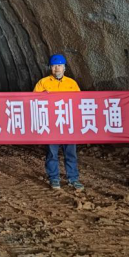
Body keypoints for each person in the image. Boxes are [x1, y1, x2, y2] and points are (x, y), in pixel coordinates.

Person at [33, 54, 83, 190]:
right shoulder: (43, 83)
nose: (57, 68)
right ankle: (54, 178)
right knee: (52, 153)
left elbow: (80, 103)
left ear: (64, 67)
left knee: (70, 153)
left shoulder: (72, 84)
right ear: (50, 67)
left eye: (60, 65)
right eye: (54, 66)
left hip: (68, 124)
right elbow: (33, 102)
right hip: (51, 125)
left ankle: (73, 178)